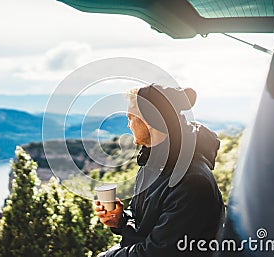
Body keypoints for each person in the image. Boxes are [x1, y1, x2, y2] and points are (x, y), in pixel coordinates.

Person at [95, 84, 224, 257]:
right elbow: (145, 228)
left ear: (149, 121)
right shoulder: (152, 165)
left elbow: (158, 251)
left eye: (130, 117)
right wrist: (120, 220)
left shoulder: (191, 182)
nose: (128, 125)